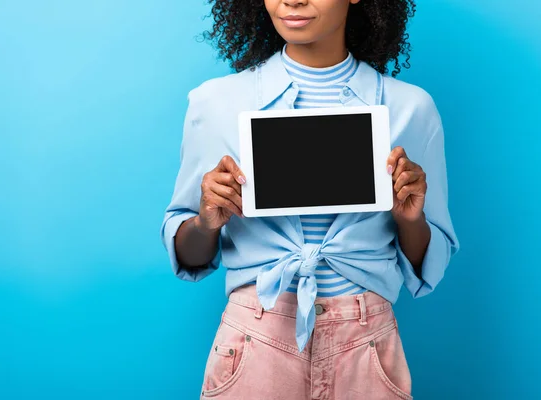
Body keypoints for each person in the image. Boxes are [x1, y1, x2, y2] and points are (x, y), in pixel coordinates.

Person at [160, 0, 459, 398]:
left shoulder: (411, 108)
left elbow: (428, 263)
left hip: (365, 340)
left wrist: (410, 218)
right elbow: (190, 255)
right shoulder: (214, 104)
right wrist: (205, 222)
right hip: (256, 337)